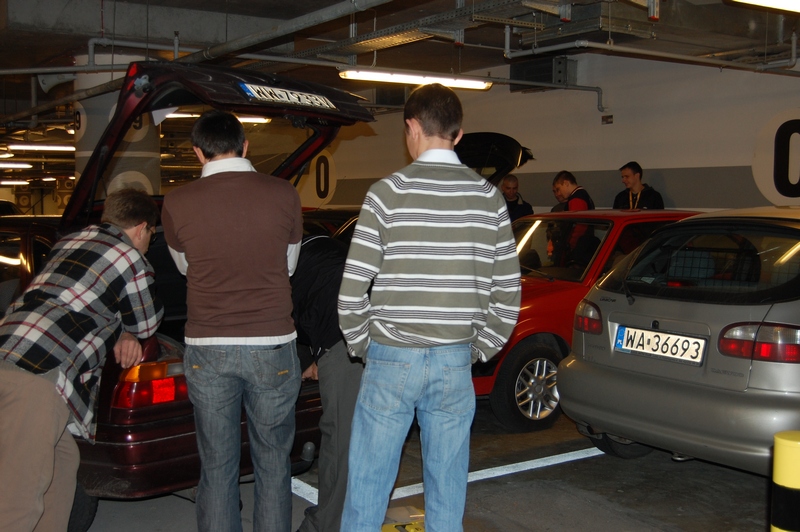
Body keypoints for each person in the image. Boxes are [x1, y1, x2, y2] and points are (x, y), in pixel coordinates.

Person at [338, 84, 521, 532]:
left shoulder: (386, 193)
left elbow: (352, 290)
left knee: (367, 488)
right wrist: (478, 350)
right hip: (454, 360)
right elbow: (507, 292)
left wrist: (366, 346)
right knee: (447, 490)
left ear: (411, 127)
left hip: (390, 358)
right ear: (458, 134)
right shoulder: (490, 199)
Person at [161, 110, 303, 532]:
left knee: (218, 465)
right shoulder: (284, 193)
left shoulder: (176, 202)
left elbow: (186, 268)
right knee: (273, 462)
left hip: (209, 346)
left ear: (197, 152)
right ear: (245, 146)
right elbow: (289, 266)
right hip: (273, 343)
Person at [0, 188, 163, 531]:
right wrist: (129, 331)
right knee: (19, 498)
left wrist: (121, 331)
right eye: (151, 234)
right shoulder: (129, 257)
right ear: (141, 228)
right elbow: (145, 323)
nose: (149, 243)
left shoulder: (71, 241)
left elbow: (80, 298)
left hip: (9, 354)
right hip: (38, 374)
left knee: (63, 462)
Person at [293, 235, 364, 532]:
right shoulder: (324, 247)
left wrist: (315, 360)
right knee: (365, 435)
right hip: (377, 325)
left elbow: (288, 327)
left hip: (346, 337)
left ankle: (326, 525)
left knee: (339, 438)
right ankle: (357, 516)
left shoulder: (280, 268)